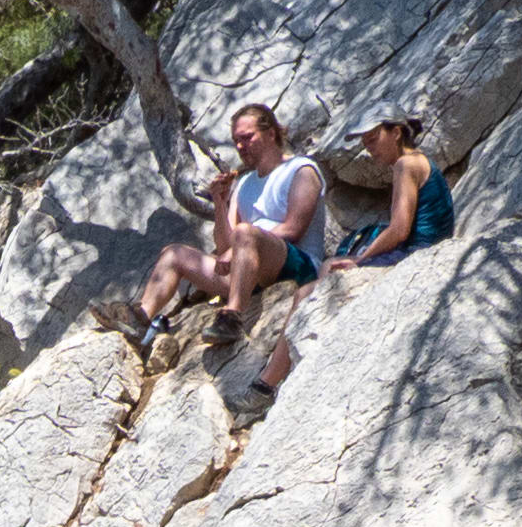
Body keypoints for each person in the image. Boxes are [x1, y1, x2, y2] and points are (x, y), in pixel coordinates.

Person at [256, 115, 447, 397]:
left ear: (395, 133)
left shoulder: (406, 165)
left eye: (373, 138)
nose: (368, 148)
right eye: (365, 142)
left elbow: (399, 230)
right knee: (329, 267)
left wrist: (360, 260)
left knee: (307, 293)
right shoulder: (416, 161)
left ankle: (267, 383)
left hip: (418, 252)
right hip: (425, 248)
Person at [132, 102, 321, 340]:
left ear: (271, 133)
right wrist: (220, 203)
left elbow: (294, 229)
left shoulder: (301, 170)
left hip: (296, 264)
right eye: (236, 141)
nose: (241, 146)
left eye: (247, 138)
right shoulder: (244, 183)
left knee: (245, 232)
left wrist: (240, 245)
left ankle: (232, 317)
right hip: (250, 269)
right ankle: (140, 317)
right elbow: (224, 248)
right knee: (173, 254)